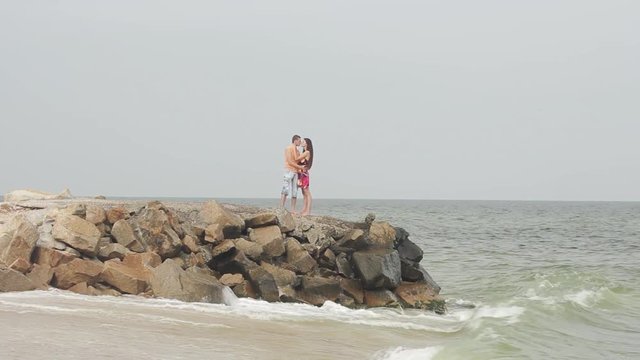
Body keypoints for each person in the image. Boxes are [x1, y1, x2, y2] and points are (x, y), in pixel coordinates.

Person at [280, 135, 305, 212]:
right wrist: (300, 167)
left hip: (296, 172)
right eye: (299, 141)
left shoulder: (297, 151)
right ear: (295, 140)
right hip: (289, 170)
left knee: (295, 191)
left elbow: (298, 160)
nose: (300, 142)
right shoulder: (288, 148)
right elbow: (290, 161)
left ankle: (293, 210)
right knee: (285, 189)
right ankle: (281, 207)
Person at [296, 138, 314, 216]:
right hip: (301, 173)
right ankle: (304, 209)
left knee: (307, 192)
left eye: (303, 142)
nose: (301, 142)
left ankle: (308, 211)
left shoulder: (307, 152)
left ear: (307, 143)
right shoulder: (304, 152)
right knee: (304, 193)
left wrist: (294, 151)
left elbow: (297, 159)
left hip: (304, 174)